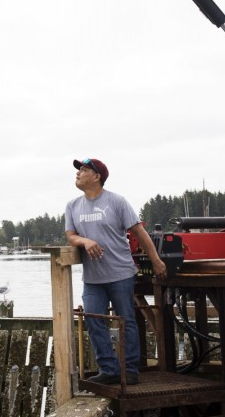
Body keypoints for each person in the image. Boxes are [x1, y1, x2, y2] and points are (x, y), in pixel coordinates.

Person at [64, 157, 167, 386]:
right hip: (92, 278)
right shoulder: (72, 206)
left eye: (83, 169)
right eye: (78, 169)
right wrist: (85, 241)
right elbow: (70, 235)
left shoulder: (117, 202)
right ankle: (109, 369)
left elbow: (139, 233)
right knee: (92, 318)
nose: (78, 173)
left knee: (126, 320)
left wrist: (156, 260)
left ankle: (130, 370)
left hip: (121, 273)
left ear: (97, 176)